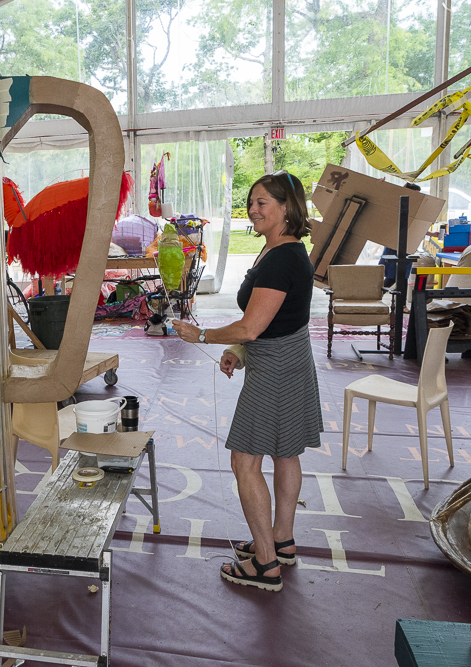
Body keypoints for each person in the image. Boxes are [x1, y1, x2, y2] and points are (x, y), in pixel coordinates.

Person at [171, 171, 322, 593]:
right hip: (288, 359)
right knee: (286, 452)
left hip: (276, 367)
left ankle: (265, 563)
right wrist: (238, 351)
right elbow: (274, 321)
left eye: (262, 203)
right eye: (251, 202)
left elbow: (252, 328)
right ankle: (281, 541)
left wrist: (201, 335)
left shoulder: (281, 258)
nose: (253, 210)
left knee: (244, 461)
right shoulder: (282, 251)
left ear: (287, 209)